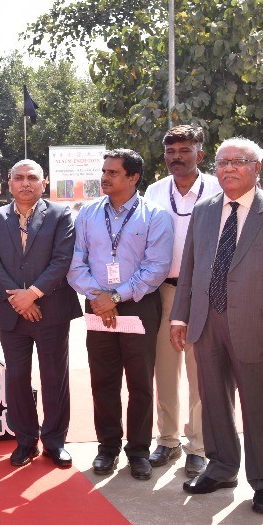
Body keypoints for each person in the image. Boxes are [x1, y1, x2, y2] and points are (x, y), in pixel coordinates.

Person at [171, 139, 263, 514]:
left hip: (257, 327)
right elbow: (190, 270)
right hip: (206, 320)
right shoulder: (203, 211)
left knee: (260, 406)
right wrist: (180, 316)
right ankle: (222, 466)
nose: (229, 168)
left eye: (239, 162)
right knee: (213, 400)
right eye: (222, 162)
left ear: (257, 168)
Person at [68, 149, 173, 480]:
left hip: (139, 304)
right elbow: (75, 261)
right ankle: (107, 448)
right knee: (103, 379)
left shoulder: (155, 216)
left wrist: (115, 296)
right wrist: (99, 297)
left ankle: (138, 450)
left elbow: (156, 268)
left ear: (133, 178)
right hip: (98, 304)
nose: (105, 177)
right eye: (104, 171)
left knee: (140, 380)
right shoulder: (87, 214)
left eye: (113, 172)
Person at [0, 159, 81, 469]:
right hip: (12, 313)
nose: (26, 183)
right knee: (16, 378)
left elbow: (62, 259)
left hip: (51, 311)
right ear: (9, 183)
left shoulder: (61, 215)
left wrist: (33, 294)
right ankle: (25, 440)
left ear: (44, 183)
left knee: (55, 377)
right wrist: (18, 298)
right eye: (19, 178)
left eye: (32, 178)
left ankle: (54, 441)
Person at [143, 125, 221, 478]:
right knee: (165, 369)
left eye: (184, 150)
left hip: (206, 292)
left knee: (201, 370)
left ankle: (199, 446)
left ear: (200, 155)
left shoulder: (219, 188)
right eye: (170, 151)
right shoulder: (155, 192)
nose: (176, 157)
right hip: (163, 290)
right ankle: (168, 439)